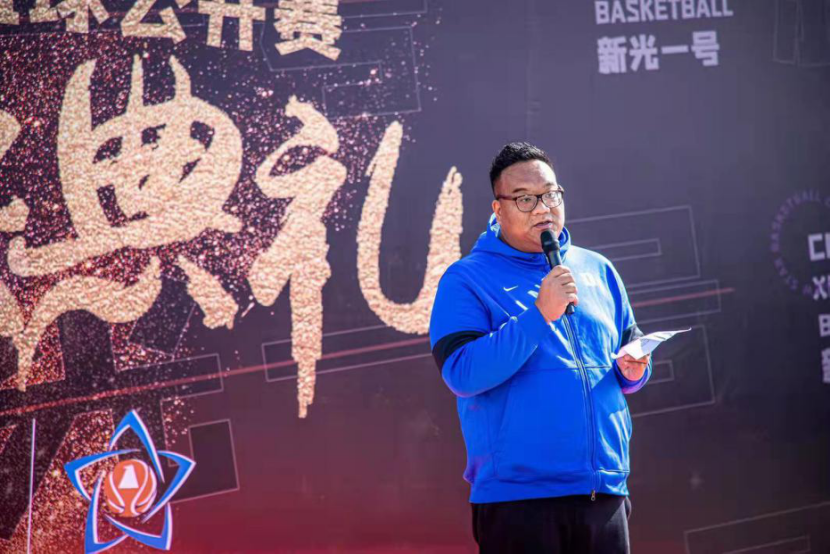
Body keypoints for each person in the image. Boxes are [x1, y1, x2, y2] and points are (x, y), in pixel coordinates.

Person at [429, 142, 652, 553]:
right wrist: (538, 317)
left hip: (603, 490)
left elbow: (628, 354)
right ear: (498, 209)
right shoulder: (466, 279)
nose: (542, 208)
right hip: (520, 500)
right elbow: (462, 373)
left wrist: (635, 369)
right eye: (525, 199)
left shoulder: (597, 268)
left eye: (551, 195)